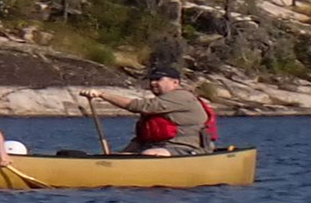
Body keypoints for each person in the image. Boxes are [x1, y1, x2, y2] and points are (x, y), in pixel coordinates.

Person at [80, 66, 213, 156]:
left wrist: (102, 94)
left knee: (149, 155)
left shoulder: (181, 97)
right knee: (124, 156)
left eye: (158, 79)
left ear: (175, 82)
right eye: (151, 79)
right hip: (156, 146)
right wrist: (121, 155)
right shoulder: (161, 102)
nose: (153, 83)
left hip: (187, 148)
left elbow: (138, 106)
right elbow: (142, 137)